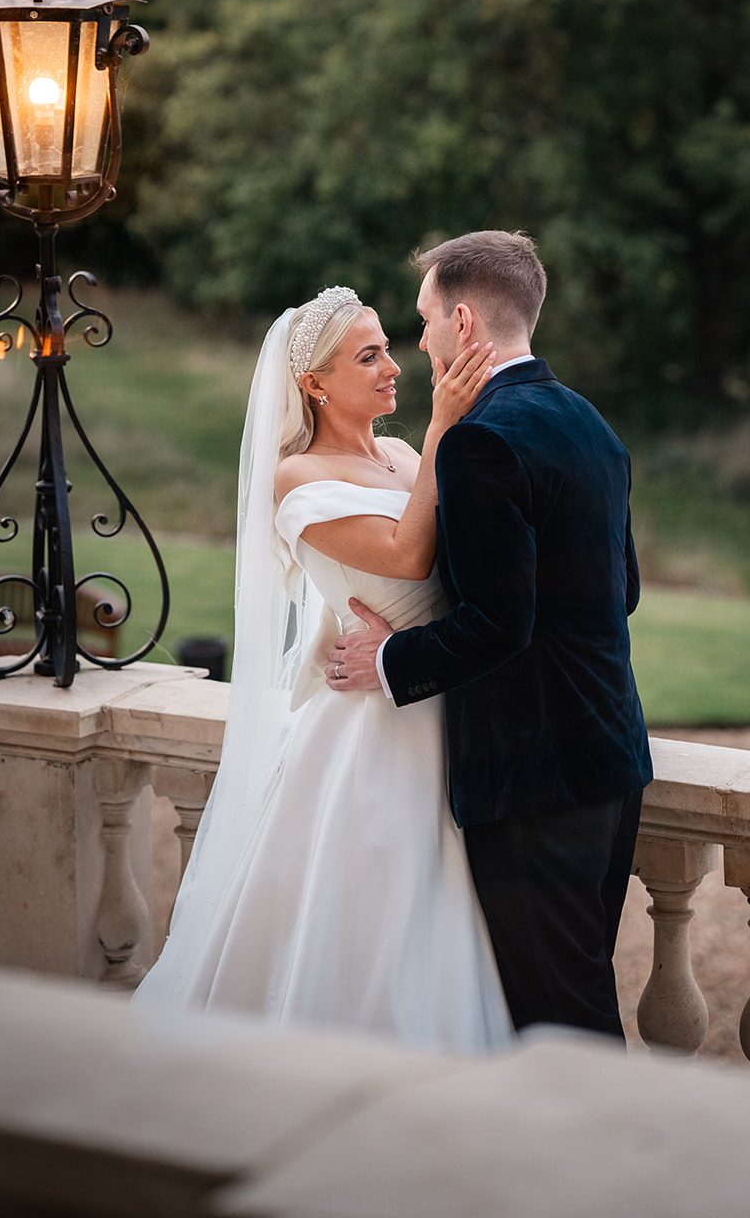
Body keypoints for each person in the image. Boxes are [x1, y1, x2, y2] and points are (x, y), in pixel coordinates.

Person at [132, 285, 513, 1051]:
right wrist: (445, 424)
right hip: (373, 730)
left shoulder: (406, 455)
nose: (394, 368)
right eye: (367, 356)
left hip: (441, 693)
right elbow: (407, 556)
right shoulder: (296, 477)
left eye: (388, 348)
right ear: (313, 382)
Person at [328, 231, 653, 1041]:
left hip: (532, 779)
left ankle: (602, 1166)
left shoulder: (480, 442)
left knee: (558, 1027)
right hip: (612, 760)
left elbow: (499, 626)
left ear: (464, 322)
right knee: (576, 997)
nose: (422, 341)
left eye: (427, 320)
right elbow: (628, 591)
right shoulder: (585, 420)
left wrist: (389, 657)